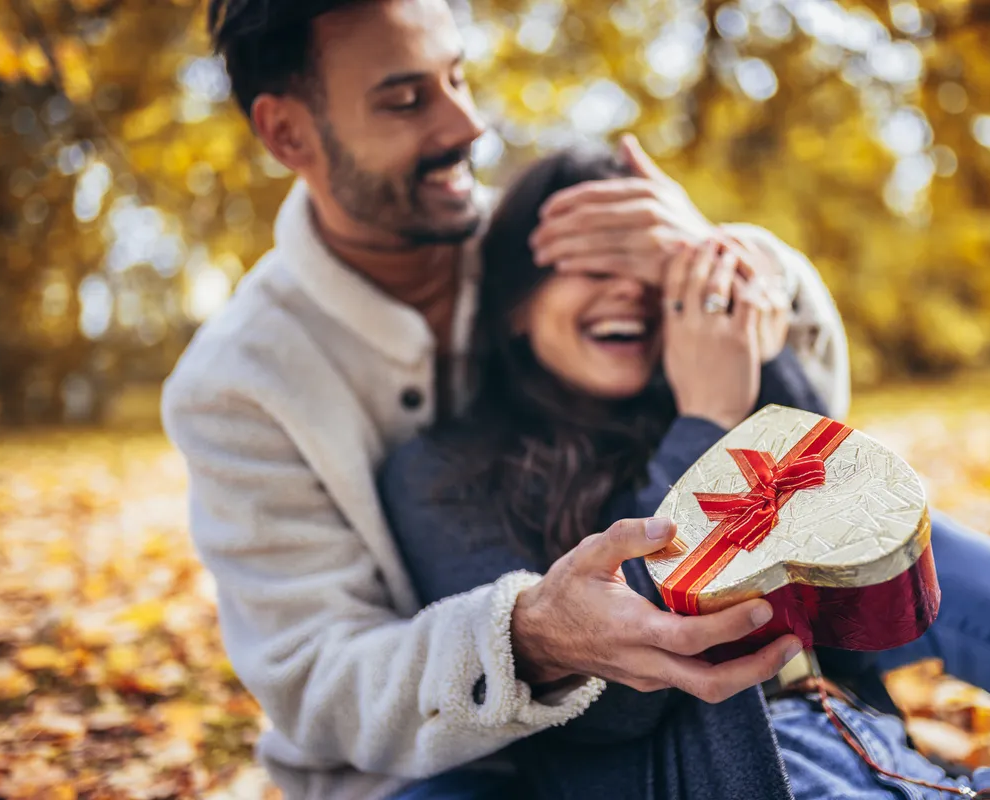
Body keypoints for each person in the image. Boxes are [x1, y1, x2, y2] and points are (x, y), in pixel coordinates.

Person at [161, 1, 848, 799]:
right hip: (434, 775)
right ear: (288, 134)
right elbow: (319, 679)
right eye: (406, 98)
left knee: (942, 561)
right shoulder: (235, 386)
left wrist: (731, 266)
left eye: (457, 76)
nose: (468, 123)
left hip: (669, 705)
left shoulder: (543, 241)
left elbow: (810, 453)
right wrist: (528, 639)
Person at [379, 149, 990, 800]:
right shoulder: (439, 473)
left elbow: (850, 511)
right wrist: (705, 421)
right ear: (515, 304)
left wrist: (748, 335)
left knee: (914, 536)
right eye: (589, 266)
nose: (628, 288)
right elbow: (599, 709)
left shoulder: (714, 379)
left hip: (908, 770)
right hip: (757, 775)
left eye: (648, 267)